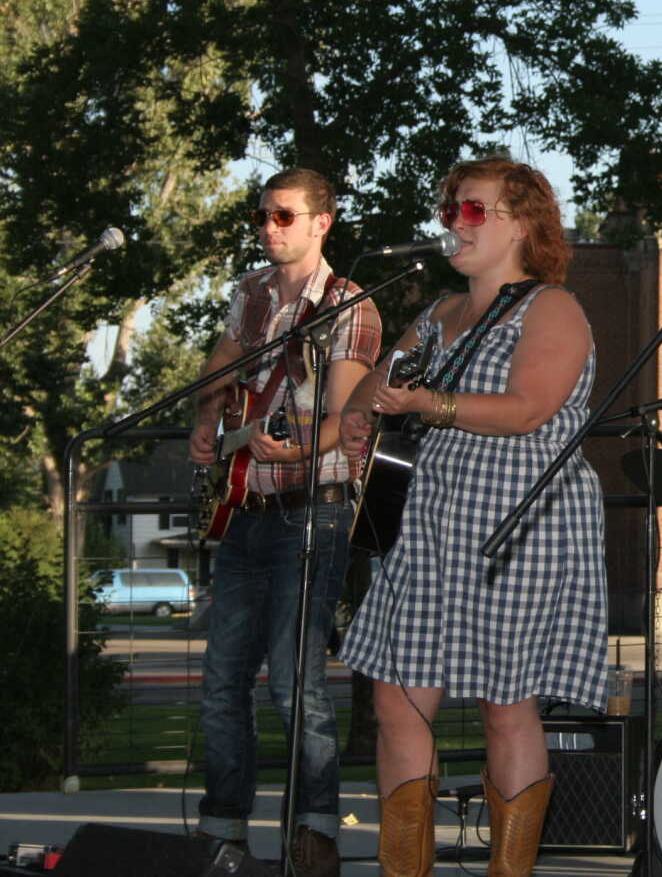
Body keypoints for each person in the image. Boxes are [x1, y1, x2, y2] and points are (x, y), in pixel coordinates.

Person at [338, 158, 608, 877]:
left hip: (518, 523)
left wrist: (428, 404)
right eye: (451, 209)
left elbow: (528, 409)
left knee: (505, 705)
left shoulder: (551, 307)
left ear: (522, 224)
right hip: (428, 522)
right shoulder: (437, 315)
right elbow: (371, 388)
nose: (454, 222)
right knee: (396, 700)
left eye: (473, 210)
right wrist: (361, 416)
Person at [187, 167, 383, 876]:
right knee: (221, 682)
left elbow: (346, 414)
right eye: (263, 215)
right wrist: (208, 418)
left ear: (322, 222)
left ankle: (316, 830)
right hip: (244, 511)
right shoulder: (250, 292)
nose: (270, 227)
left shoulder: (349, 305)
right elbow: (221, 367)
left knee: (294, 684)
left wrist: (296, 448)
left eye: (284, 215)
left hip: (312, 515)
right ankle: (223, 832)